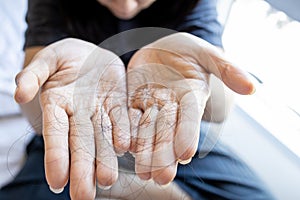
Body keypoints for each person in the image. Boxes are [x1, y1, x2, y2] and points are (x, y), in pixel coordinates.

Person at [0, 0, 275, 199]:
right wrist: (52, 79)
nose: (126, 6)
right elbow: (37, 116)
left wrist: (199, 76)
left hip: (171, 126)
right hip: (77, 129)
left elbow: (220, 110)